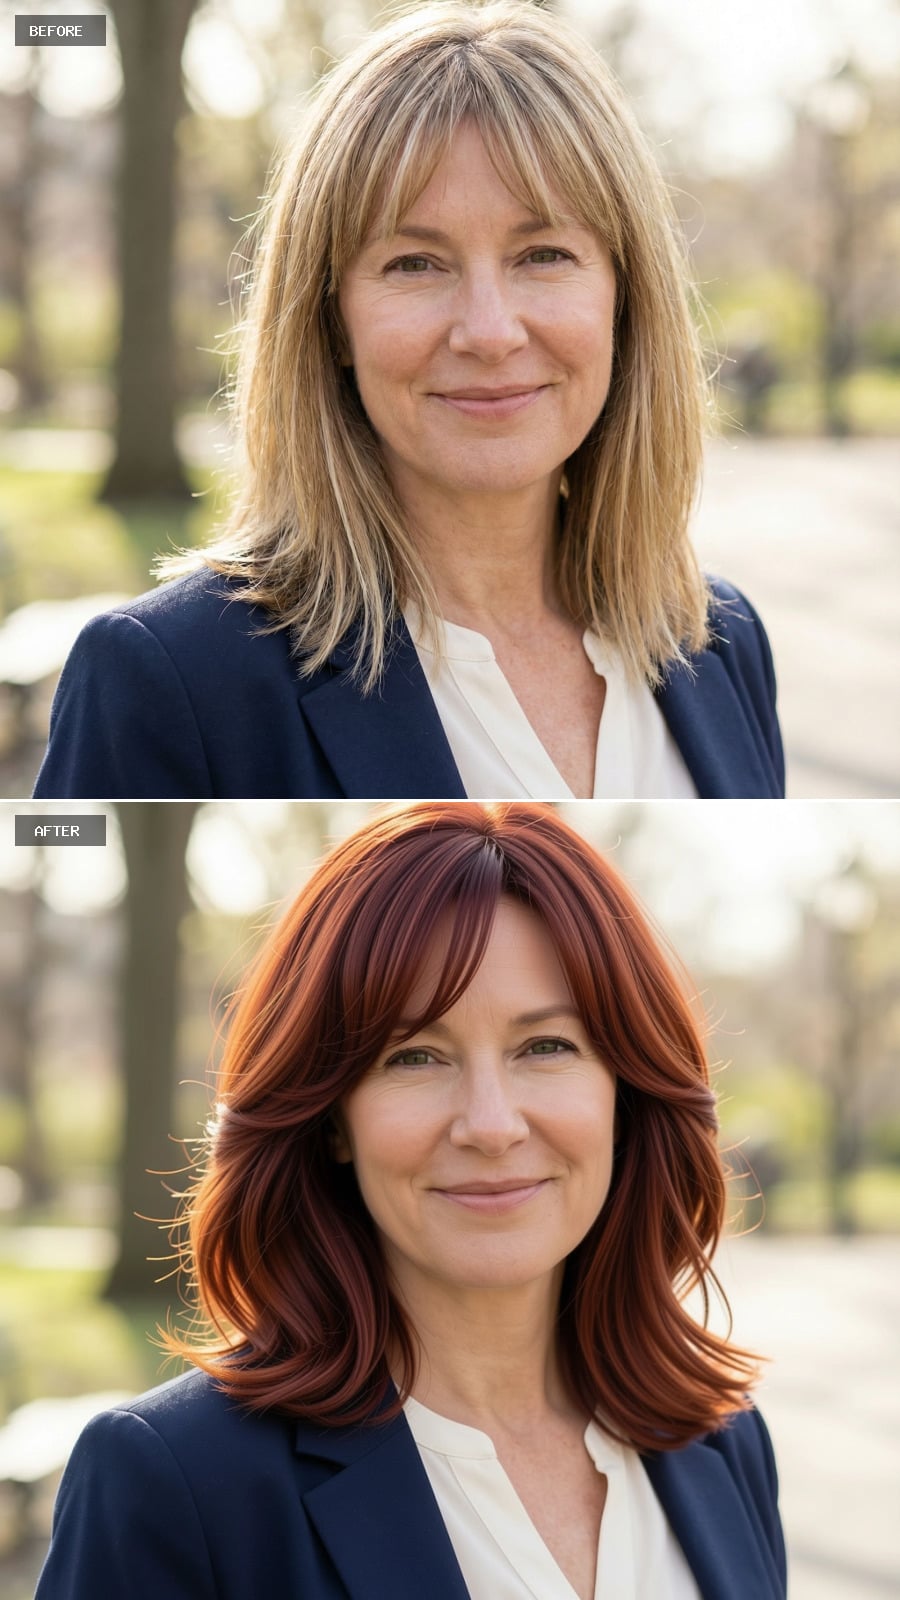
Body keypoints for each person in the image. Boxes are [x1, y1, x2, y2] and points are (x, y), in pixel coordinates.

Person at [34, 2, 783, 802]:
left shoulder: (721, 641)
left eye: (544, 254)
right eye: (415, 264)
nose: (490, 332)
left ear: (624, 299)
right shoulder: (167, 677)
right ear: (331, 319)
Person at [37, 802, 787, 1599]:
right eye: (415, 1056)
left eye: (546, 1046)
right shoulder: (176, 1483)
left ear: (624, 1094)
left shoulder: (722, 1443)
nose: (492, 1126)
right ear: (331, 1118)